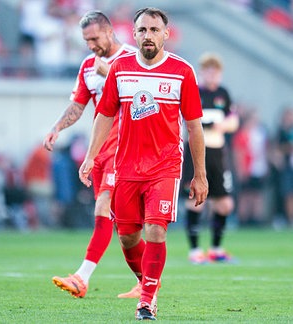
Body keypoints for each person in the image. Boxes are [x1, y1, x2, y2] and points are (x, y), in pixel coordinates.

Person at [78, 7, 208, 320]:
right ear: (133, 34)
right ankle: (146, 281)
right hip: (126, 167)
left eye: (153, 30)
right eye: (142, 30)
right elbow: (104, 116)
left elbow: (194, 127)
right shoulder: (120, 68)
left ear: (165, 34)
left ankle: (147, 301)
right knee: (127, 236)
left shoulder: (182, 72)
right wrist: (91, 156)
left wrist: (200, 175)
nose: (147, 36)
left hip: (164, 166)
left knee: (155, 230)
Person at [42, 10, 137, 299]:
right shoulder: (87, 66)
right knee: (124, 228)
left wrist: (114, 75)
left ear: (110, 32)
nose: (91, 44)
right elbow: (79, 105)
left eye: (94, 38)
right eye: (86, 40)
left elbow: (146, 101)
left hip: (127, 148)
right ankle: (148, 282)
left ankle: (82, 278)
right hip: (100, 149)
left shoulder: (134, 60)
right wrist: (57, 127)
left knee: (103, 210)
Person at [181, 52, 238, 264]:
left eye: (216, 71)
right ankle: (195, 251)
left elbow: (233, 121)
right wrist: (208, 125)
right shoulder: (194, 92)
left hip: (217, 155)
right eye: (208, 71)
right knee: (195, 202)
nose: (212, 75)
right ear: (202, 72)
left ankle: (216, 248)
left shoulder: (224, 93)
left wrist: (219, 125)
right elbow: (190, 121)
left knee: (224, 205)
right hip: (197, 152)